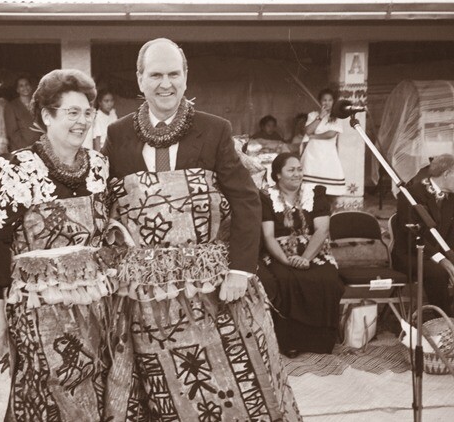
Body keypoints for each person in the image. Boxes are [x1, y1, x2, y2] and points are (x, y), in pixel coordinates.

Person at [102, 38, 300, 421]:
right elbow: (109, 206)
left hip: (214, 289)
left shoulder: (215, 130)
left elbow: (246, 200)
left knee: (229, 388)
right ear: (139, 79)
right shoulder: (118, 135)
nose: (165, 83)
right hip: (147, 296)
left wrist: (241, 270)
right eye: (155, 74)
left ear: (186, 77)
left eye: (173, 74)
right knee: (159, 395)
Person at [0, 69, 117, 421]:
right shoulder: (16, 167)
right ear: (47, 116)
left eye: (87, 112)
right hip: (32, 312)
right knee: (35, 391)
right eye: (72, 112)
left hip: (91, 308)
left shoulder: (100, 167)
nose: (82, 121)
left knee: (88, 385)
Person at [258, 153, 344, 356]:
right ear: (278, 175)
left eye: (299, 169)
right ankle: (290, 343)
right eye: (291, 170)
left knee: (326, 277)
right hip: (280, 253)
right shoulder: (266, 197)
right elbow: (268, 236)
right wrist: (288, 260)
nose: (297, 174)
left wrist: (305, 258)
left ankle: (321, 342)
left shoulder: (315, 194)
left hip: (313, 251)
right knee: (284, 278)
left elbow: (322, 230)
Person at [392, 154, 454, 316]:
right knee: (438, 272)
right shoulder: (410, 195)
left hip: (441, 253)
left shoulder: (451, 198)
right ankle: (444, 323)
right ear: (447, 173)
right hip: (411, 254)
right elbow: (411, 236)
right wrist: (442, 260)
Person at [301, 88, 346, 196]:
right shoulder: (313, 115)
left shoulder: (337, 116)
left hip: (328, 153)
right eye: (324, 100)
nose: (327, 103)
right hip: (312, 153)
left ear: (334, 101)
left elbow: (331, 134)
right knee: (309, 188)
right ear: (320, 101)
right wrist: (320, 117)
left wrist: (314, 136)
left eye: (330, 100)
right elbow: (308, 131)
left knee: (328, 188)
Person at [3, 75, 42, 151]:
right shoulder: (11, 106)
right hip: (20, 149)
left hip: (39, 147)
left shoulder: (38, 104)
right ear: (17, 90)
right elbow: (12, 132)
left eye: (27, 84)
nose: (25, 88)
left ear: (31, 87)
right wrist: (26, 147)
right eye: (21, 86)